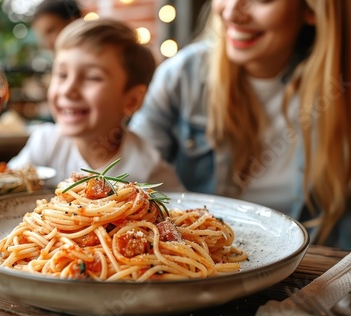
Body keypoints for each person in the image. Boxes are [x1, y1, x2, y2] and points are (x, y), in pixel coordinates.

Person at [129, 0, 351, 249]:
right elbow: (132, 180)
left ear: (311, 9)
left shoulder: (340, 92)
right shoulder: (181, 76)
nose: (232, 12)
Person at [8, 18, 184, 192]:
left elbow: (184, 211)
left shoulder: (148, 168)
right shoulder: (45, 143)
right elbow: (3, 191)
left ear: (132, 101)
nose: (69, 90)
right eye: (62, 75)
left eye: (92, 77)